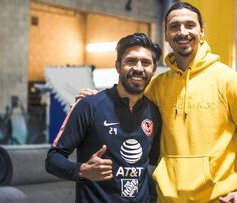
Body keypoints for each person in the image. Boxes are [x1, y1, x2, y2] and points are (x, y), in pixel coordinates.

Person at [77, 2, 237, 203]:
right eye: (174, 26)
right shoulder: (158, 86)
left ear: (202, 31)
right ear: (166, 35)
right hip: (167, 199)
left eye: (190, 25)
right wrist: (98, 99)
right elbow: (126, 104)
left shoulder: (230, 81)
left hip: (219, 199)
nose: (182, 32)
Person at [45, 33, 162, 203]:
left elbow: (153, 164)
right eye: (130, 61)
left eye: (146, 62)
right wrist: (82, 170)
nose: (138, 68)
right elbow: (53, 159)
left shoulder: (154, 113)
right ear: (118, 66)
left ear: (153, 69)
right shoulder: (89, 106)